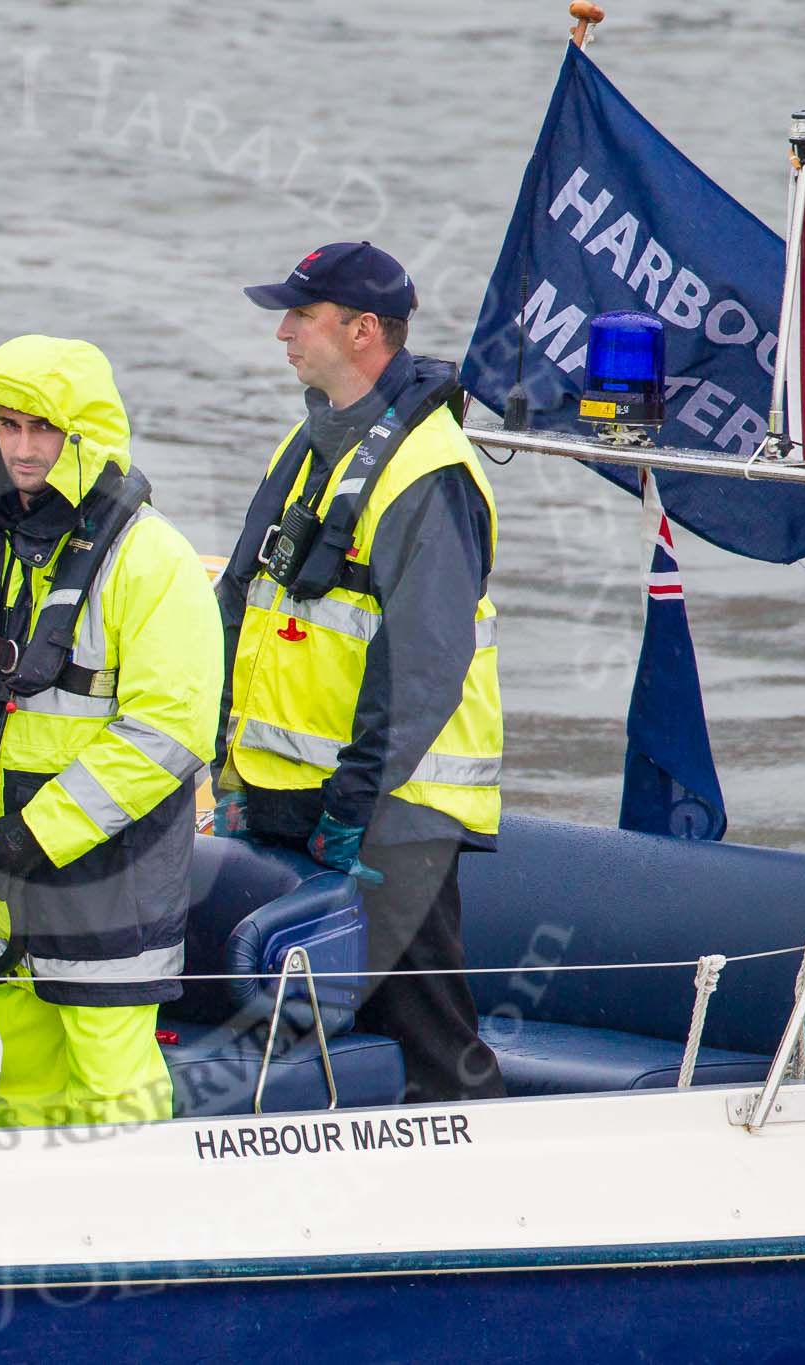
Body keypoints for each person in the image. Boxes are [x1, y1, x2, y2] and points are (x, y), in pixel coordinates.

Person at [215, 241, 506, 1104]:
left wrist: (354, 808)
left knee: (429, 1047)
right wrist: (228, 767)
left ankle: (486, 1212)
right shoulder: (309, 441)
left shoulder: (431, 473)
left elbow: (423, 670)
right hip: (289, 795)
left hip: (391, 814)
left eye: (302, 316)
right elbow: (241, 602)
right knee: (302, 1042)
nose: (283, 334)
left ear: (364, 331)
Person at [0, 335, 221, 1128]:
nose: (21, 447)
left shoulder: (152, 558)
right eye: (8, 426)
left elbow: (170, 729)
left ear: (82, 436)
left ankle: (144, 1247)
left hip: (106, 863)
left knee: (112, 1075)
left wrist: (44, 829)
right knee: (15, 1076)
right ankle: (25, 1237)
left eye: (41, 429)